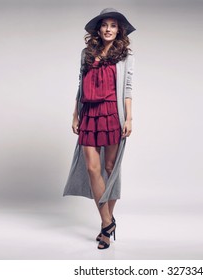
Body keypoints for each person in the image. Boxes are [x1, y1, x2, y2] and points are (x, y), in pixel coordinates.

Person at [63, 8, 135, 250]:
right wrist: (75, 114)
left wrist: (129, 118)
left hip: (113, 114)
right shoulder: (87, 53)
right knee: (93, 168)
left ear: (119, 30)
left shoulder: (125, 56)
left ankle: (105, 230)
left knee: (109, 168)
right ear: (98, 29)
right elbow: (80, 84)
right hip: (90, 114)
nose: (108, 29)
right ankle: (107, 222)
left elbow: (127, 88)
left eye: (113, 25)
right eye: (105, 25)